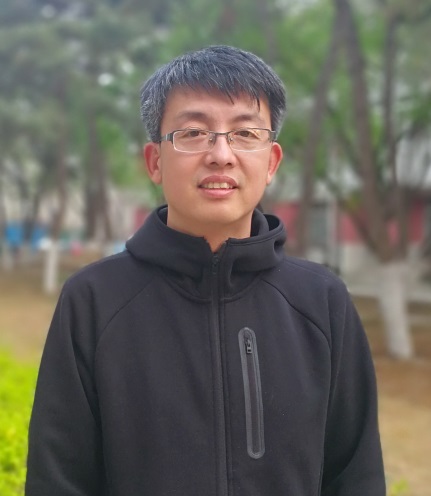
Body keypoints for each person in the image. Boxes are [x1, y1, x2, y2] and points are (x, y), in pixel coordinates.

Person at [25, 45, 385, 496]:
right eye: (194, 132)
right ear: (155, 161)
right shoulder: (93, 300)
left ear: (271, 162)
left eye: (245, 133)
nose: (221, 154)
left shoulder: (321, 301)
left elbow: (356, 475)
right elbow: (58, 479)